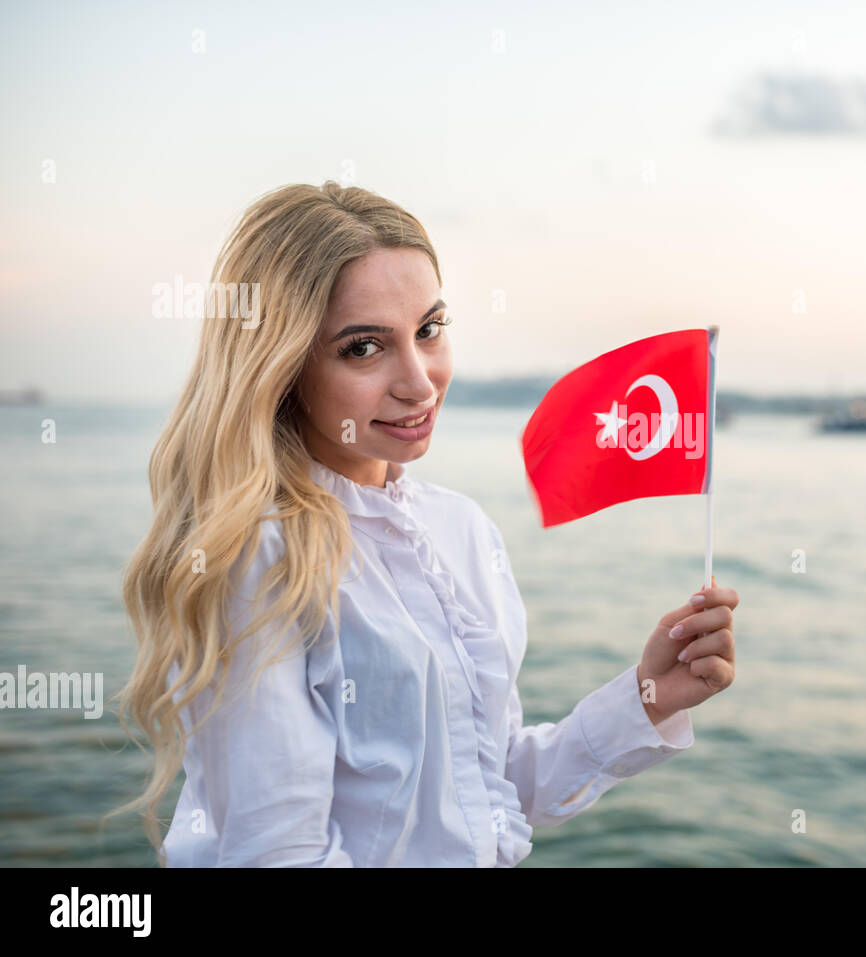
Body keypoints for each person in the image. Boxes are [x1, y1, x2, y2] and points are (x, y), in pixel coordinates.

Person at [107, 181, 739, 866]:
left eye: (429, 330)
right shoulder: (258, 556)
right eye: (363, 348)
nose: (420, 380)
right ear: (281, 367)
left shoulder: (461, 530)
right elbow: (276, 852)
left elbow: (483, 791)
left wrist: (645, 697)